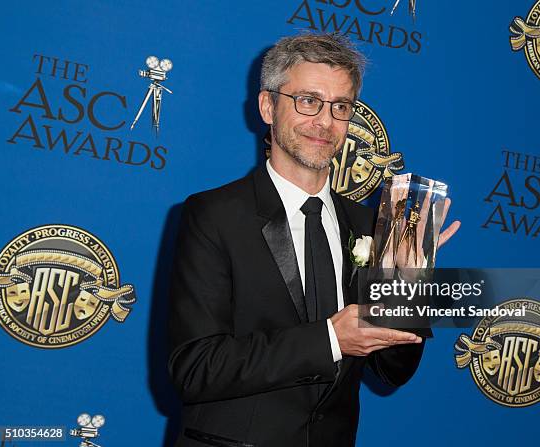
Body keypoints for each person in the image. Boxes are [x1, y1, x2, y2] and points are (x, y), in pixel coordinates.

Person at [168, 33, 460, 447]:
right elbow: (195, 369)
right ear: (269, 107)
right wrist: (329, 340)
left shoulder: (371, 226)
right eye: (308, 101)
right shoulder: (213, 215)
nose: (324, 122)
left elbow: (394, 371)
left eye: (340, 107)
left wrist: (406, 284)